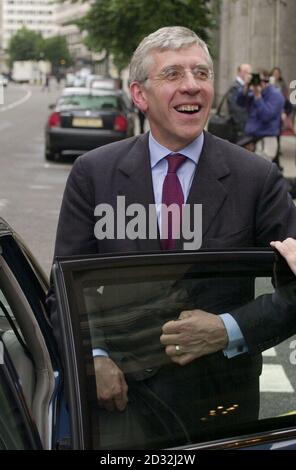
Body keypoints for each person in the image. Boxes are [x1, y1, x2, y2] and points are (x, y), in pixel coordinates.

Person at [48, 26, 296, 448]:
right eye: (174, 74)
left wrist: (228, 328)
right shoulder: (94, 173)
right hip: (120, 404)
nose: (192, 86)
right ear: (140, 95)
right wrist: (94, 358)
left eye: (201, 73)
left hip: (221, 407)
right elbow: (63, 290)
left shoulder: (257, 178)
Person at [236, 69, 285, 167]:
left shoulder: (276, 96)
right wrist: (245, 87)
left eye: (260, 80)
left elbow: (266, 116)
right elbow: (239, 102)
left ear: (266, 80)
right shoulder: (254, 92)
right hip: (250, 140)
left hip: (266, 141)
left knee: (258, 171)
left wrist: (258, 97)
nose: (257, 82)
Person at [227, 63, 252, 139]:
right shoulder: (236, 87)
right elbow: (236, 109)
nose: (249, 75)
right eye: (248, 72)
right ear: (241, 72)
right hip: (240, 127)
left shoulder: (244, 86)